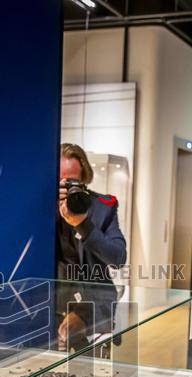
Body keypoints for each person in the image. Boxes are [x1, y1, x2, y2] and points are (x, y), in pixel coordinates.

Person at [55, 143, 126, 350]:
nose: (67, 187)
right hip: (52, 305)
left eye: (72, 182)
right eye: (61, 183)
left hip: (94, 306)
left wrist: (83, 225)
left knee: (90, 375)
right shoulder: (40, 208)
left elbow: (119, 258)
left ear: (84, 179)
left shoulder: (103, 207)